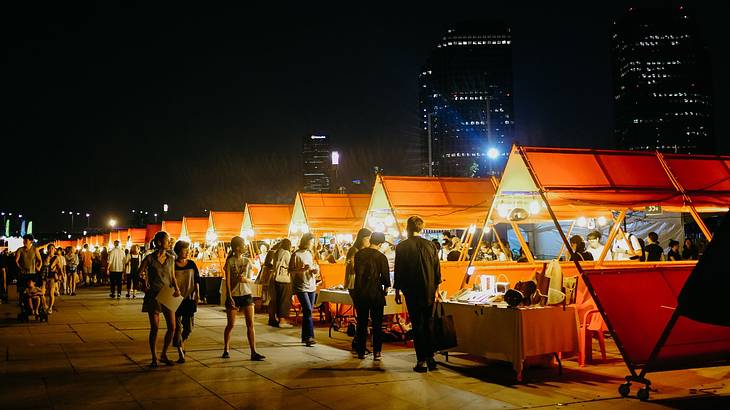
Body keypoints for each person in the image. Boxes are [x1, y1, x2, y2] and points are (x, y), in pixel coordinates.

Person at [394, 216, 441, 373]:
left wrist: (397, 291)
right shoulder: (431, 245)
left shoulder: (401, 247)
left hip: (412, 291)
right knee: (428, 324)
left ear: (407, 228)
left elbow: (398, 271)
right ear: (422, 228)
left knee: (417, 325)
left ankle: (421, 361)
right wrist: (437, 290)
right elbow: (437, 270)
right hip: (429, 290)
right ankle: (431, 358)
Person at [138, 231, 181, 368]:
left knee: (172, 327)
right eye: (167, 240)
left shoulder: (171, 258)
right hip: (153, 294)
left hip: (168, 292)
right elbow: (140, 272)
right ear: (159, 243)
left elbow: (173, 276)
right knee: (155, 328)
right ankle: (154, 357)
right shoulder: (149, 258)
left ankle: (163, 354)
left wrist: (177, 288)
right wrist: (144, 282)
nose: (169, 243)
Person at [222, 236, 265, 361]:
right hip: (234, 295)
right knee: (231, 324)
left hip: (246, 294)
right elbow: (228, 281)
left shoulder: (247, 261)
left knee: (250, 324)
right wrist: (229, 296)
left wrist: (245, 279)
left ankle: (253, 351)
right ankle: (226, 349)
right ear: (237, 247)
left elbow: (251, 279)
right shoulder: (229, 262)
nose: (245, 246)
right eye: (243, 245)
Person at [353, 232, 391, 361]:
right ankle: (377, 352)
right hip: (375, 293)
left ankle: (361, 351)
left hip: (361, 292)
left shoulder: (358, 254)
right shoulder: (381, 257)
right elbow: (386, 278)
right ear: (380, 243)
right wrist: (385, 290)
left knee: (362, 323)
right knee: (377, 323)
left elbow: (356, 272)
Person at [290, 233, 320, 347]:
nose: (312, 244)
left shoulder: (309, 253)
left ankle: (304, 336)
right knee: (307, 310)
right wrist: (302, 269)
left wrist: (313, 270)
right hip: (300, 286)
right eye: (311, 242)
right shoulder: (296, 255)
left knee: (309, 311)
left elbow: (312, 267)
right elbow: (291, 271)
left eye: (313, 242)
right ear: (305, 241)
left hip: (311, 285)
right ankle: (309, 337)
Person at [344, 228, 372, 350]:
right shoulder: (354, 250)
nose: (369, 241)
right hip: (355, 284)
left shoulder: (361, 250)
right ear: (362, 238)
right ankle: (358, 342)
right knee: (362, 313)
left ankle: (358, 341)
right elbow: (353, 268)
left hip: (359, 284)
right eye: (368, 239)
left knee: (362, 313)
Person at [173, 240, 200, 364]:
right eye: (185, 249)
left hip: (189, 298)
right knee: (177, 327)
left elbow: (196, 280)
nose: (188, 252)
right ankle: (180, 352)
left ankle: (181, 342)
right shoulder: (172, 264)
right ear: (179, 251)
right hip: (175, 298)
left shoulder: (191, 264)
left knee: (188, 327)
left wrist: (197, 294)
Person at [268, 239, 293, 327]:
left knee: (277, 299)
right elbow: (290, 265)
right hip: (284, 279)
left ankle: (275, 318)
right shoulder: (286, 253)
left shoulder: (276, 252)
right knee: (284, 300)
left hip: (275, 278)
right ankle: (282, 321)